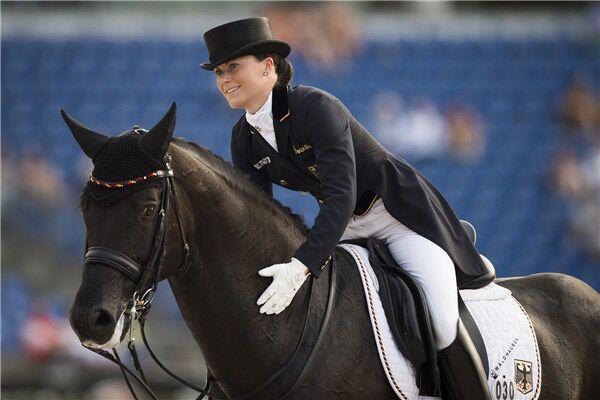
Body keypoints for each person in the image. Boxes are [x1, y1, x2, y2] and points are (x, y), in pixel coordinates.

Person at [200, 17, 493, 399]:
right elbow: (257, 212)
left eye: (233, 67)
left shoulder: (316, 107)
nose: (225, 79)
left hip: (396, 218)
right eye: (220, 71)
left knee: (439, 322)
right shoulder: (244, 136)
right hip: (347, 229)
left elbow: (340, 194)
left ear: (268, 66)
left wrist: (303, 263)